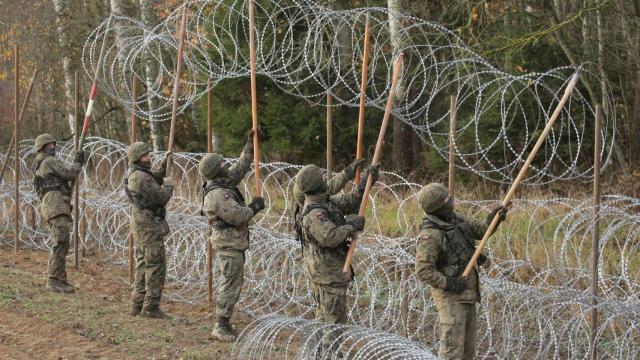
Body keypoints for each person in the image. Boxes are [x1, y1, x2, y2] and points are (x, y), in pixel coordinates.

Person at [414, 183, 508, 360]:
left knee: (467, 352)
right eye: (446, 199)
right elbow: (423, 270)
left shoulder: (455, 218)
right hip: (451, 299)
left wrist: (493, 219)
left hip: (469, 293)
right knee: (452, 352)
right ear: (438, 206)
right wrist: (450, 283)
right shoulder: (430, 235)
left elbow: (481, 231)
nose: (451, 200)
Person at [294, 163, 378, 357]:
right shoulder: (314, 213)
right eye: (322, 178)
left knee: (325, 317)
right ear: (316, 185)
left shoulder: (324, 201)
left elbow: (350, 201)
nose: (326, 180)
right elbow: (330, 237)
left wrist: (367, 181)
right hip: (328, 274)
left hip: (328, 272)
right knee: (334, 321)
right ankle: (330, 354)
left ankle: (321, 352)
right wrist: (351, 225)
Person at [200, 130, 265, 342]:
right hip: (228, 244)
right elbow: (239, 216)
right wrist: (254, 207)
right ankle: (221, 325)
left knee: (232, 282)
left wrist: (250, 145)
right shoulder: (217, 195)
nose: (225, 164)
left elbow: (242, 166)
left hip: (233, 242)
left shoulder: (223, 182)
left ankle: (224, 321)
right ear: (216, 170)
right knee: (230, 283)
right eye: (221, 164)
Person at [125, 142, 173, 319]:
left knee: (143, 264)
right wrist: (168, 185)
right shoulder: (140, 177)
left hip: (142, 224)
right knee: (155, 265)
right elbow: (160, 197)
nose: (149, 158)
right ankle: (151, 307)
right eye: (145, 156)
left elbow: (154, 179)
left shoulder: (136, 173)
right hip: (149, 225)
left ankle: (137, 304)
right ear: (138, 158)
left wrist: (163, 165)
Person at [32, 134, 85, 293]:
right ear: (42, 147)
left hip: (53, 205)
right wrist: (78, 162)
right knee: (61, 242)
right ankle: (54, 281)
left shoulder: (39, 162)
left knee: (62, 242)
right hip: (55, 205)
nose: (53, 147)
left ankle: (60, 279)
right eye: (49, 145)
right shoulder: (48, 160)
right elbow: (69, 173)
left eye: (54, 144)